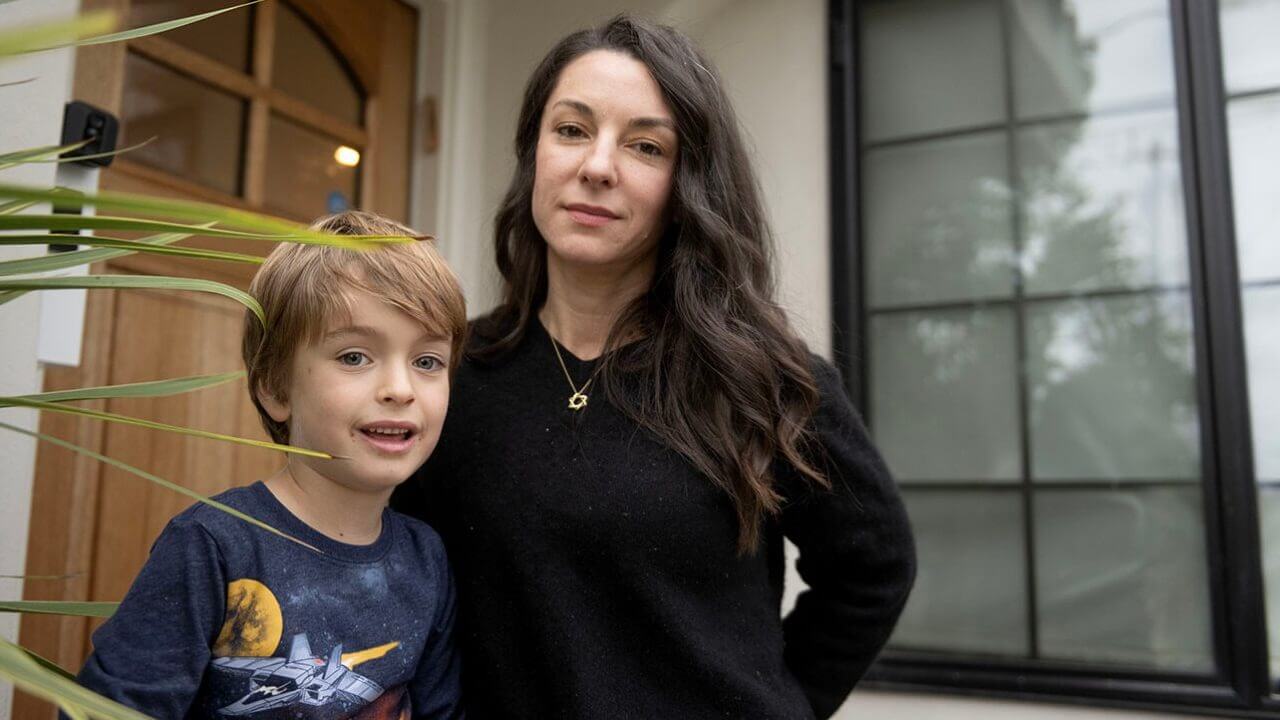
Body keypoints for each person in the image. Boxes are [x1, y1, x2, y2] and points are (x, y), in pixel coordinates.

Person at [392, 14, 916, 719]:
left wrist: (782, 704)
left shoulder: (759, 378)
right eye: (571, 130)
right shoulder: (447, 378)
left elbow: (874, 566)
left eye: (644, 145)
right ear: (534, 154)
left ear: (685, 184)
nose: (597, 166)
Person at [74, 211, 467, 719]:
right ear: (276, 389)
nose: (400, 388)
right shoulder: (212, 544)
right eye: (354, 357)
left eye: (427, 361)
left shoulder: (426, 559)